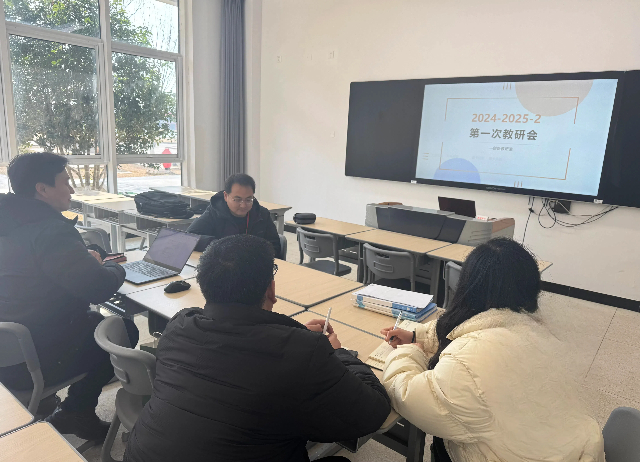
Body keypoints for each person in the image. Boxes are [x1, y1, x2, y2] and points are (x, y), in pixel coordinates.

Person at [124, 234, 390, 462]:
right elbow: (373, 413)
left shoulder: (180, 325)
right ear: (271, 290)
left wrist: (295, 336)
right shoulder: (304, 353)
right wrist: (337, 353)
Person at [380, 238, 604, 462]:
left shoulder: (465, 364)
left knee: (443, 437)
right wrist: (416, 335)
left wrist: (411, 351)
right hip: (573, 448)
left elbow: (408, 396)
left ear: (467, 287)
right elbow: (465, 326)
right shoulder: (535, 326)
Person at [0, 152, 138, 441]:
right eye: (65, 182)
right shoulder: (50, 230)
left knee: (94, 320)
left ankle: (59, 406)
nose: (72, 189)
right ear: (42, 188)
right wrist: (111, 266)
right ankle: (76, 410)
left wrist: (81, 261)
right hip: (35, 358)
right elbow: (98, 288)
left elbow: (30, 272)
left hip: (9, 351)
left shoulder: (10, 223)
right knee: (123, 329)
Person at [187, 173, 281, 255]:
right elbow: (189, 238)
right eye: (237, 199)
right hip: (224, 263)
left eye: (248, 199)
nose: (243, 205)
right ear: (226, 196)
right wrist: (224, 246)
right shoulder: (215, 212)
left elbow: (275, 247)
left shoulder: (262, 214)